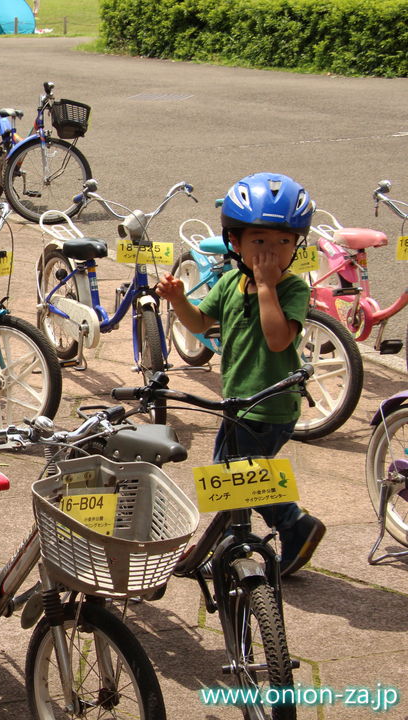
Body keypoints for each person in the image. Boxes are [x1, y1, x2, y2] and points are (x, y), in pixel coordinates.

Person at [156, 172, 326, 577]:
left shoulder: (292, 290)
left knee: (233, 472)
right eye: (260, 242)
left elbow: (279, 339)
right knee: (235, 472)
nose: (271, 252)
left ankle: (292, 526)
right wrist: (179, 300)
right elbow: (199, 323)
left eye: (283, 242)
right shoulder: (231, 282)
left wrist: (267, 287)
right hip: (238, 401)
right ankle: (235, 540)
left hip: (270, 404)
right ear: (235, 243)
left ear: (296, 245)